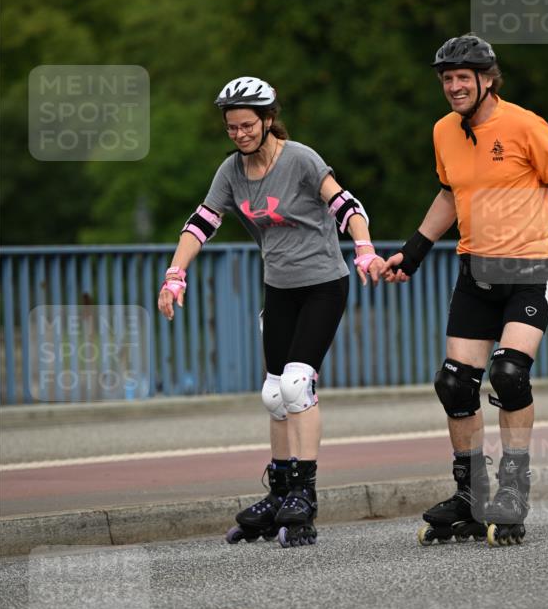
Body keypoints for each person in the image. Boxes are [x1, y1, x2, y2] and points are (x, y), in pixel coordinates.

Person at [382, 34, 548, 547]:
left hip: (531, 271)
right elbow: (449, 194)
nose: (454, 87)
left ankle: (513, 492)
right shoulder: (443, 131)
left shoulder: (525, 126)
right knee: (454, 383)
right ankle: (471, 495)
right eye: (447, 79)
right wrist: (413, 252)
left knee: (508, 373)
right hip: (474, 274)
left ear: (487, 79)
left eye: (463, 78)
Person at [158, 76, 384, 548]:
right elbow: (201, 223)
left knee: (298, 384)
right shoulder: (231, 171)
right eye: (231, 127)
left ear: (267, 120)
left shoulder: (299, 159)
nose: (239, 134)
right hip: (279, 288)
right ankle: (280, 492)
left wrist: (363, 248)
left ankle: (304, 493)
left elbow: (346, 205)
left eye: (247, 125)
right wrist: (175, 275)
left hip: (324, 284)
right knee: (274, 394)